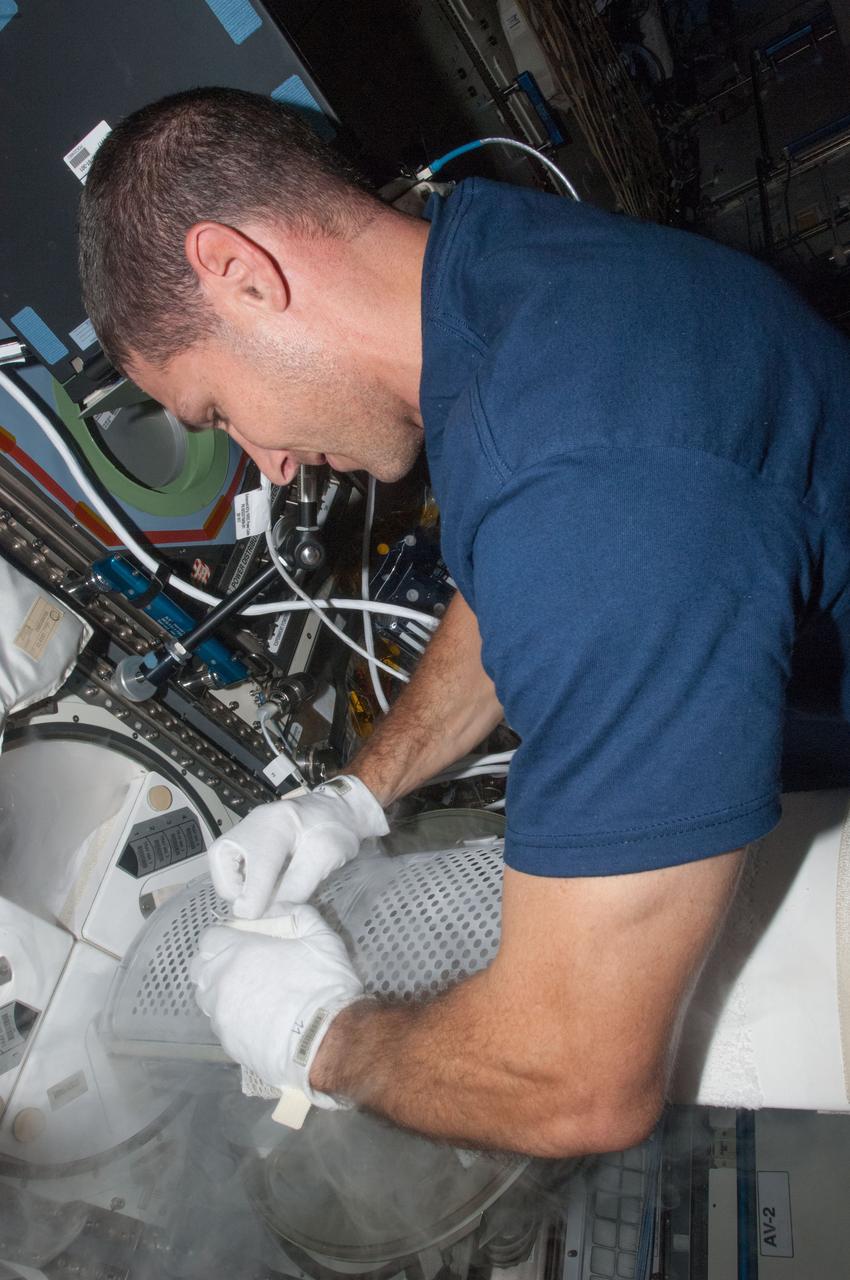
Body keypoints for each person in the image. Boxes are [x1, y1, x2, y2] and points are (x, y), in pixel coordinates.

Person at [79, 86, 850, 1158]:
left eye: (217, 411)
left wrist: (316, 1038)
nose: (270, 464)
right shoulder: (494, 263)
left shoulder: (589, 488)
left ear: (240, 272)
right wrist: (354, 793)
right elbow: (512, 580)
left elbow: (573, 1082)